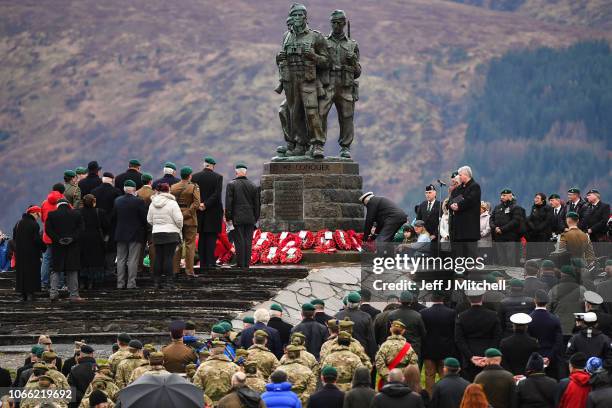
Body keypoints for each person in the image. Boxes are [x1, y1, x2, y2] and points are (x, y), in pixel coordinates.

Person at [276, 3, 329, 158]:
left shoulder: (315, 36)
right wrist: (279, 59)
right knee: (294, 113)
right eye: (295, 15)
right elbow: (281, 60)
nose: (298, 18)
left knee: (312, 111)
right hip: (290, 79)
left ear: (306, 17)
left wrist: (313, 55)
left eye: (300, 15)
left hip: (308, 79)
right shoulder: (286, 36)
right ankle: (300, 144)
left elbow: (327, 61)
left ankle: (317, 144)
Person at [318, 9, 360, 159]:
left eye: (338, 23)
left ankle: (345, 147)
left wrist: (353, 60)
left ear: (344, 23)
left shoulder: (352, 45)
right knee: (320, 113)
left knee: (346, 116)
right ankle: (318, 145)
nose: (335, 25)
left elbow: (358, 72)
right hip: (328, 83)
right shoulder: (323, 42)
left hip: (345, 85)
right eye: (333, 22)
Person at [455, 289, 502, 381]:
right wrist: (488, 356)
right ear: (483, 297)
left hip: (469, 356)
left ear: (468, 299)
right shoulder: (493, 315)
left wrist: (470, 357)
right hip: (488, 354)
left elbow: (459, 339)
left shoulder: (462, 316)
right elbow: (497, 337)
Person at [45, 198, 83, 302]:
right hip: (73, 246)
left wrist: (58, 239)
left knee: (56, 269)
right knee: (72, 269)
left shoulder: (52, 215)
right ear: (68, 205)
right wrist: (72, 238)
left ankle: (53, 293)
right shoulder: (76, 214)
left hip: (58, 246)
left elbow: (48, 230)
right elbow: (81, 228)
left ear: (57, 205)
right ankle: (74, 294)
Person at [420, 291, 457, 395]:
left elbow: (422, 332)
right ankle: (445, 398)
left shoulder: (423, 313)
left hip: (428, 350)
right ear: (443, 299)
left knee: (429, 376)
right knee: (445, 376)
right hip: (446, 350)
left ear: (432, 299)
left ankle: (431, 399)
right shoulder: (451, 313)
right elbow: (454, 332)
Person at [147, 182, 183, 289]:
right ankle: (169, 282)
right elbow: (179, 219)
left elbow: (149, 219)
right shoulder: (172, 203)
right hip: (171, 233)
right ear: (168, 191)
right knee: (168, 257)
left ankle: (157, 282)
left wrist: (157, 226)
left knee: (158, 257)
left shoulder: (152, 203)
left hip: (157, 233)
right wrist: (178, 227)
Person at [191, 156, 224, 270]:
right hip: (213, 213)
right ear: (212, 166)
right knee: (211, 238)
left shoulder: (195, 177)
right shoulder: (218, 177)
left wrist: (199, 204)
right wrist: (206, 204)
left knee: (201, 238)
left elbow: (193, 193)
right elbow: (216, 195)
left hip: (199, 213)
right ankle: (210, 262)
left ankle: (203, 262)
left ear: (204, 165)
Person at [113, 180, 147, 289]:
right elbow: (144, 219)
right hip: (135, 234)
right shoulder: (139, 202)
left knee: (121, 259)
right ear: (134, 189)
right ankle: (131, 283)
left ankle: (120, 283)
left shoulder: (117, 201)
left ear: (124, 189)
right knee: (133, 260)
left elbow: (114, 217)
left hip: (120, 233)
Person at [225, 163, 260, 268]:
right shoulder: (253, 186)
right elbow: (257, 204)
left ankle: (240, 263)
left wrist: (228, 217)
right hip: (250, 218)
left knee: (239, 241)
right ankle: (247, 263)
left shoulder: (231, 185)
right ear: (246, 172)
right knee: (248, 241)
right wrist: (255, 218)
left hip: (237, 218)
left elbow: (229, 203)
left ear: (236, 172)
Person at [170, 166, 200, 277]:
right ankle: (189, 271)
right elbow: (196, 204)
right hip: (190, 220)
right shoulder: (194, 187)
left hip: (176, 220)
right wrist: (186, 214)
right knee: (190, 245)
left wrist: (178, 215)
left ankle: (175, 270)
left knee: (177, 245)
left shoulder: (173, 187)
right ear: (190, 176)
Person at [92, 171, 121, 279]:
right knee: (111, 248)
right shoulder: (116, 192)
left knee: (99, 247)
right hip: (112, 224)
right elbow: (117, 209)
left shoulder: (94, 191)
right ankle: (110, 270)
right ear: (112, 180)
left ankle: (100, 270)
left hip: (97, 223)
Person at [528, 290, 564, 379]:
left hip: (534, 358)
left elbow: (528, 340)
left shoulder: (529, 319)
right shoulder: (555, 319)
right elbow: (558, 342)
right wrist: (549, 357)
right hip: (552, 358)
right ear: (547, 302)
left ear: (535, 301)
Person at [448, 166, 481, 259]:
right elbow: (451, 199)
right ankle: (460, 271)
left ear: (466, 175)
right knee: (460, 254)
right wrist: (451, 205)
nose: (458, 176)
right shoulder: (459, 189)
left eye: (460, 175)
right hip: (459, 229)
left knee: (471, 255)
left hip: (469, 228)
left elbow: (470, 200)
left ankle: (472, 272)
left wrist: (458, 206)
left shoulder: (475, 187)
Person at [13, 205, 45, 301]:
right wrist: (44, 247)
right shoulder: (34, 224)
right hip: (32, 253)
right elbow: (36, 239)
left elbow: (14, 238)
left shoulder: (18, 223)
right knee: (31, 273)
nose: (39, 216)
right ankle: (30, 294)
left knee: (21, 273)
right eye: (38, 214)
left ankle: (22, 294)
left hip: (19, 253)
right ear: (34, 213)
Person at [375, 321, 418, 390]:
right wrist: (403, 376)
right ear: (403, 331)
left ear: (390, 329)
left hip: (387, 382)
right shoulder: (408, 347)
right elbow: (413, 364)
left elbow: (379, 363)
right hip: (404, 382)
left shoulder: (384, 346)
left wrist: (388, 377)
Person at [193, 340, 239, 405]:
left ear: (211, 350)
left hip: (208, 404)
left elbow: (197, 388)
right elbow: (239, 388)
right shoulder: (235, 367)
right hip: (228, 404)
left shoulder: (203, 367)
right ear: (223, 350)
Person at [79, 194, 109, 290]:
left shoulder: (78, 212)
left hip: (82, 239)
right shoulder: (100, 212)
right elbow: (106, 226)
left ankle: (83, 281)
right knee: (95, 261)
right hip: (96, 239)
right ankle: (93, 282)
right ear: (93, 202)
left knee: (83, 260)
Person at [335, 292, 376, 360]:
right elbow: (370, 338)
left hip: (341, 353)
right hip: (360, 352)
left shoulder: (337, 316)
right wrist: (372, 356)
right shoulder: (366, 317)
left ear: (347, 301)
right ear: (359, 302)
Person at [388, 291, 427, 361]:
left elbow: (388, 332)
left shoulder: (392, 315)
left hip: (396, 348)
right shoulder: (417, 316)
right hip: (413, 349)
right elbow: (423, 334)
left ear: (400, 300)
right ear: (411, 301)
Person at [490, 188, 523, 266]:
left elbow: (515, 222)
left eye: (504, 195)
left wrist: (502, 229)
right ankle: (502, 277)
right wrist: (495, 228)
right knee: (501, 260)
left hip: (510, 239)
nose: (502, 197)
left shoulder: (515, 207)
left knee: (510, 260)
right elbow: (491, 219)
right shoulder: (497, 207)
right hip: (499, 238)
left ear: (510, 196)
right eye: (501, 195)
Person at [40, 187, 64, 290]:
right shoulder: (63, 202)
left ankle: (44, 283)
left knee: (46, 259)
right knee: (60, 259)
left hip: (47, 236)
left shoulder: (44, 203)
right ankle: (60, 284)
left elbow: (42, 219)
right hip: (59, 237)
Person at [526, 192, 553, 259]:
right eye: (535, 198)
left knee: (542, 252)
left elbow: (547, 221)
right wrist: (532, 226)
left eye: (537, 198)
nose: (535, 199)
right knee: (532, 252)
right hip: (534, 233)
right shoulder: (534, 207)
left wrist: (538, 228)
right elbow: (531, 218)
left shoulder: (548, 208)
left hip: (544, 234)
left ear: (543, 200)